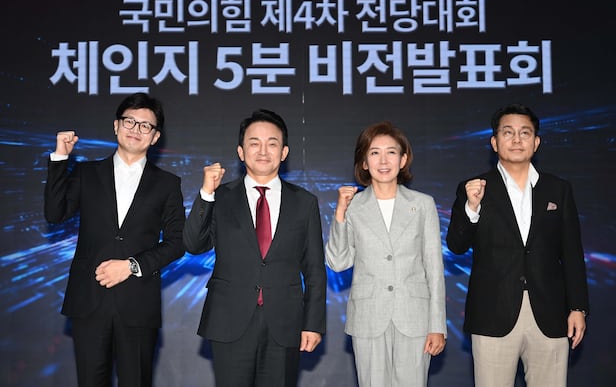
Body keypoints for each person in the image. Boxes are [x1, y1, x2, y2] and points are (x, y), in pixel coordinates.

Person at [44, 92, 186, 387]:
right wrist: (60, 158)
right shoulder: (86, 173)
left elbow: (177, 242)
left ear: (155, 137)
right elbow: (55, 214)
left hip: (138, 304)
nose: (136, 129)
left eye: (145, 125)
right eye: (129, 121)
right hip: (89, 299)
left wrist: (131, 266)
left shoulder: (167, 184)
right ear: (116, 126)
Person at [446, 104, 590, 387]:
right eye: (507, 132)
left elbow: (572, 253)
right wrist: (471, 208)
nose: (516, 140)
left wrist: (578, 307)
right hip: (492, 314)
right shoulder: (474, 188)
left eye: (525, 133)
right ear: (494, 142)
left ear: (536, 142)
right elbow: (456, 244)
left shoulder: (558, 189)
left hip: (549, 314)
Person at [183, 109, 326, 387]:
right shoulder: (220, 197)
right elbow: (193, 243)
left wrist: (313, 323)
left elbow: (314, 270)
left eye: (272, 143)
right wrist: (206, 194)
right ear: (241, 151)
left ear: (284, 152)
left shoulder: (304, 202)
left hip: (284, 323)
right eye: (254, 143)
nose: (263, 151)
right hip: (229, 321)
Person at [325, 121, 447, 387]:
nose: (383, 160)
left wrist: (437, 325)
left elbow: (434, 269)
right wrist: (340, 214)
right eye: (374, 152)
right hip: (368, 317)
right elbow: (337, 262)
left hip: (415, 318)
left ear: (403, 160)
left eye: (391, 152)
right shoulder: (353, 206)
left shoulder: (423, 204)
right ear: (364, 162)